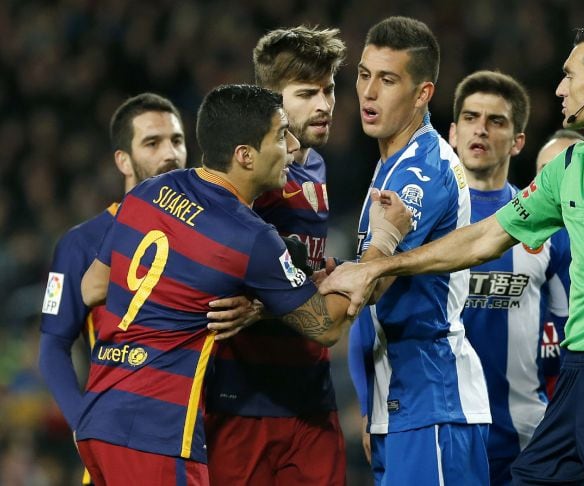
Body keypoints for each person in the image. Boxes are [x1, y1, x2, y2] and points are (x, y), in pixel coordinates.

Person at [322, 24, 584, 485]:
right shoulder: (570, 167)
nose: (559, 88)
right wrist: (382, 266)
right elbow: (484, 237)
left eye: (570, 76)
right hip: (576, 378)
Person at [75, 84, 409, 485]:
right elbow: (327, 326)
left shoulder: (148, 192)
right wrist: (383, 245)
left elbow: (93, 288)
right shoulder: (247, 236)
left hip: (98, 415)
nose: (290, 144)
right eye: (280, 134)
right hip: (158, 431)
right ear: (245, 156)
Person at [204, 26, 349, 485]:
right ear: (270, 100)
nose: (324, 104)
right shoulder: (247, 177)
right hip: (244, 402)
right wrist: (266, 304)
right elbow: (213, 272)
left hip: (310, 396)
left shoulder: (316, 165)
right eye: (306, 93)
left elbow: (298, 272)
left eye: (328, 90)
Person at [349, 16, 491, 486]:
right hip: (402, 403)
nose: (369, 92)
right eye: (364, 74)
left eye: (388, 80)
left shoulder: (420, 172)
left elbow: (371, 284)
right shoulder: (392, 163)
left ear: (423, 93)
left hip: (433, 401)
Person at [39, 92, 188, 485]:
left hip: (194, 440)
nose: (170, 153)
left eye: (177, 140)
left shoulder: (209, 235)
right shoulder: (80, 243)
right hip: (119, 440)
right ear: (123, 160)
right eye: (152, 143)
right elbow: (53, 347)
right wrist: (81, 422)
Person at [448, 71, 573, 484]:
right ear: (452, 132)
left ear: (518, 142)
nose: (480, 128)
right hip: (443, 429)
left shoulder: (547, 226)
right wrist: (368, 407)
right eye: (470, 117)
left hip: (525, 437)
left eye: (496, 121)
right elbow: (375, 323)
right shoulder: (420, 219)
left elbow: (574, 332)